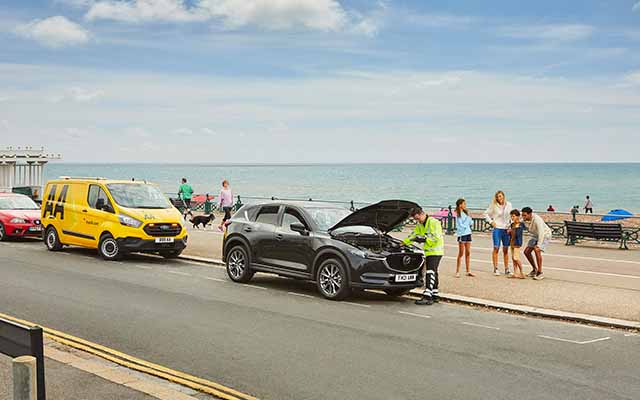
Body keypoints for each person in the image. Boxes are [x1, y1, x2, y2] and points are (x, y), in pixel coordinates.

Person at [403, 207, 444, 306]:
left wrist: (423, 239)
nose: (417, 221)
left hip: (436, 251)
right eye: (415, 219)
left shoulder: (434, 222)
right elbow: (413, 235)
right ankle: (435, 294)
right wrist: (403, 243)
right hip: (429, 252)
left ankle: (427, 296)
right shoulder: (420, 224)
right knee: (434, 272)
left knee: (430, 272)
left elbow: (436, 237)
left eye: (418, 218)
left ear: (422, 214)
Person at [483, 190, 513, 276]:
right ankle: (495, 268)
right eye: (498, 196)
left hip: (506, 229)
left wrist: (511, 226)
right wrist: (491, 222)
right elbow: (485, 213)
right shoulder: (493, 205)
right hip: (497, 228)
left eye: (500, 196)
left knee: (506, 249)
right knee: (496, 248)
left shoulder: (509, 204)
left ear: (503, 196)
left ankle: (507, 269)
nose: (499, 198)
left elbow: (511, 216)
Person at [522, 207, 552, 280]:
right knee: (526, 252)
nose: (523, 217)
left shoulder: (537, 219)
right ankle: (534, 269)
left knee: (537, 250)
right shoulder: (524, 220)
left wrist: (538, 245)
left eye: (525, 215)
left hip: (545, 235)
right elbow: (517, 223)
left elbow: (541, 232)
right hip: (535, 236)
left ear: (530, 214)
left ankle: (540, 272)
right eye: (522, 215)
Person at [454, 198, 474, 278]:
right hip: (462, 234)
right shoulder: (458, 214)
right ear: (460, 205)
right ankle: (457, 271)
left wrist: (469, 220)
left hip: (468, 233)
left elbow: (471, 222)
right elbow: (460, 225)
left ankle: (468, 270)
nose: (465, 205)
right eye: (464, 204)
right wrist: (467, 223)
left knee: (468, 252)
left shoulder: (466, 213)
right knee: (461, 252)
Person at [507, 209, 526, 279]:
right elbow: (511, 234)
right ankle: (515, 273)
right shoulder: (512, 224)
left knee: (516, 258)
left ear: (518, 216)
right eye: (511, 216)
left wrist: (512, 230)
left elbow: (519, 234)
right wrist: (509, 232)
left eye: (513, 216)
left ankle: (521, 272)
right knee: (513, 259)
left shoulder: (520, 225)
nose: (512, 218)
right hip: (512, 243)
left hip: (517, 243)